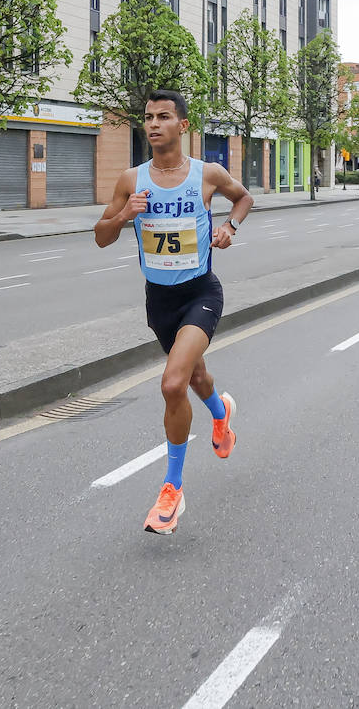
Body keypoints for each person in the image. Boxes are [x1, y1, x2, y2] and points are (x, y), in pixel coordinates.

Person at [94, 90, 252, 535]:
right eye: (148, 117)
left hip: (201, 292)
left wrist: (228, 226)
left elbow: (243, 198)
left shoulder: (207, 173)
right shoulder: (131, 179)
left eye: (164, 117)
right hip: (159, 302)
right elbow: (101, 237)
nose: (153, 124)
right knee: (197, 379)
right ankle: (221, 416)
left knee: (172, 382)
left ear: (183, 126)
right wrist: (124, 213)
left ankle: (172, 490)